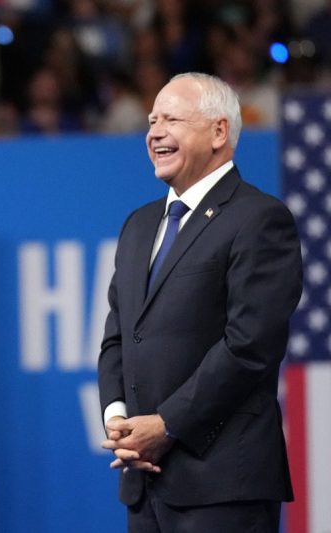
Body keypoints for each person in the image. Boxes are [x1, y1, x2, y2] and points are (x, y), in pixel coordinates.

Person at [98, 72, 302, 532]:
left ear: (218, 131)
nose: (154, 131)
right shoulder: (139, 224)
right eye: (152, 120)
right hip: (144, 481)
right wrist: (120, 422)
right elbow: (119, 337)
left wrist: (166, 425)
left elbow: (249, 346)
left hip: (222, 484)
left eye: (171, 118)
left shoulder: (260, 219)